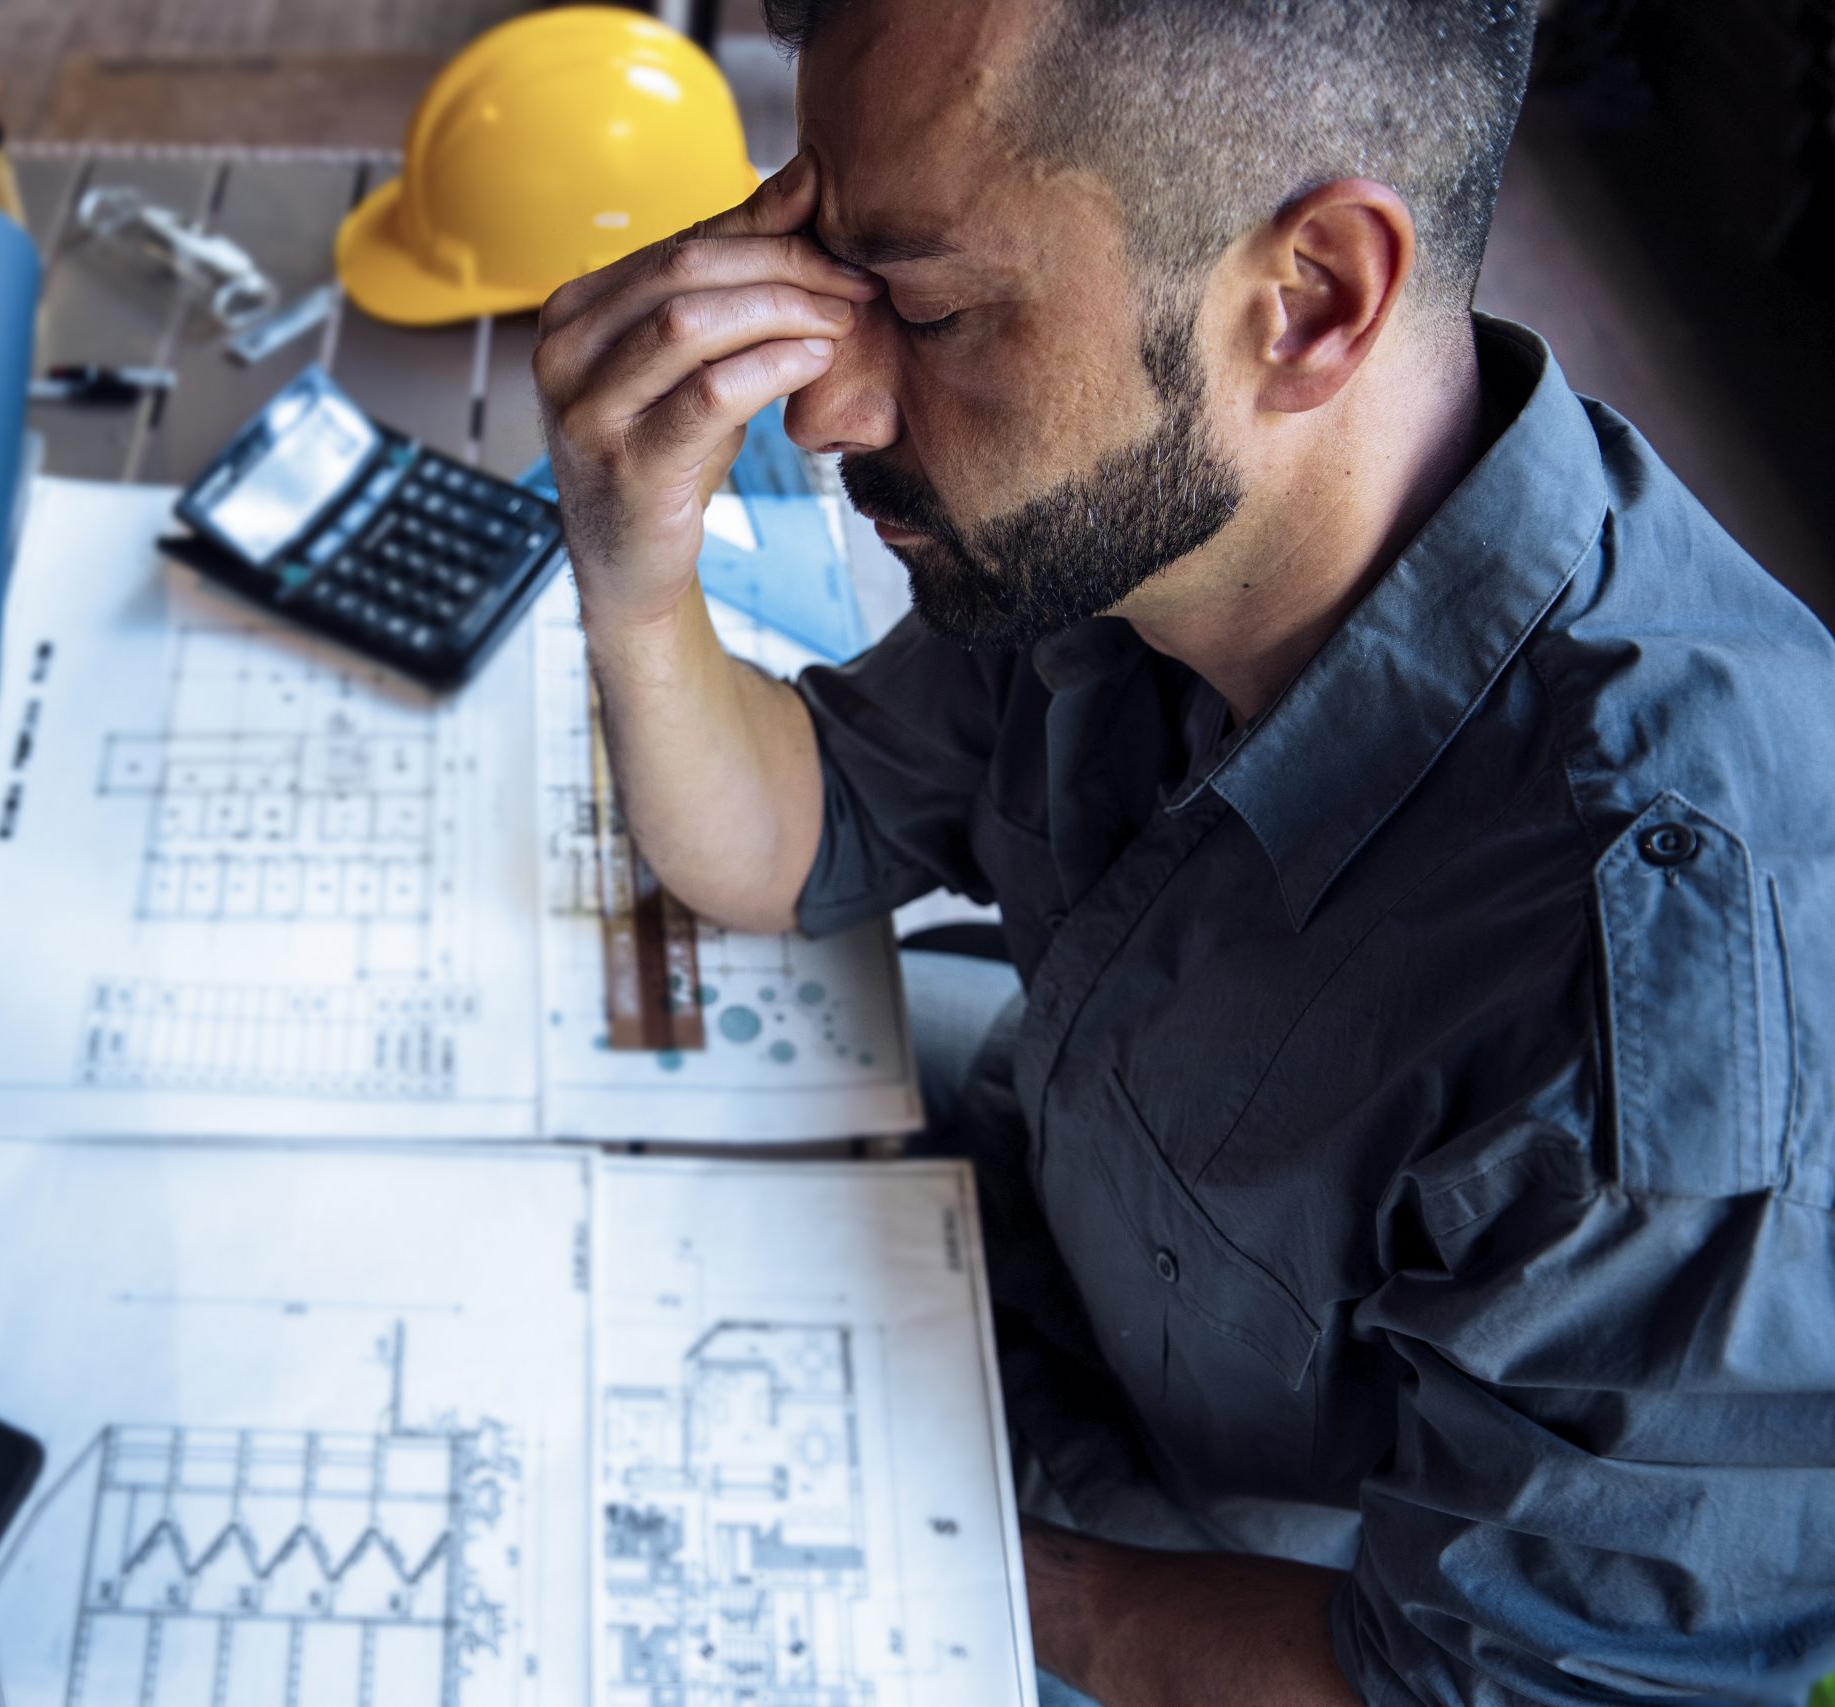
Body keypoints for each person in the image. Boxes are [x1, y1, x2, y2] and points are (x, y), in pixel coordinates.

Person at [531, 0, 1835, 1702]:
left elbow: (1494, 1685)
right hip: (1045, 1226)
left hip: (1228, 1586)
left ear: (1306, 301)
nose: (827, 406)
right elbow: (805, 830)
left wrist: (931, 1551)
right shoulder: (1127, 522)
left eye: (921, 305)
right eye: (823, 268)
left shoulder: (1674, 1023)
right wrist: (636, 575)